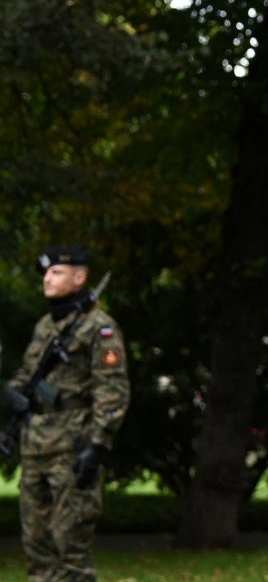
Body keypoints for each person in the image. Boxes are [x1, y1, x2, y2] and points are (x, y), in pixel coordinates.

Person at [4, 247, 130, 582]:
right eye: (46, 273)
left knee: (70, 548)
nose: (47, 279)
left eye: (57, 272)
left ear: (80, 277)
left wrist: (97, 446)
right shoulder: (46, 326)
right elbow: (30, 375)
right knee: (37, 547)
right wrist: (15, 391)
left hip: (71, 448)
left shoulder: (99, 328)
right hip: (36, 446)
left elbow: (112, 391)